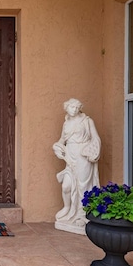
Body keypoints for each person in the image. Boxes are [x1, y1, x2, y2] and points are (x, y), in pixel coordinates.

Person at [53, 98, 101, 234]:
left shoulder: (87, 121)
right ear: (66, 108)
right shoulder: (66, 123)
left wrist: (91, 151)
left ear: (79, 108)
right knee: (66, 185)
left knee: (82, 185)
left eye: (76, 107)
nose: (73, 110)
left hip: (82, 156)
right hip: (70, 156)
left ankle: (82, 214)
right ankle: (68, 209)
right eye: (71, 107)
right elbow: (62, 140)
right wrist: (57, 146)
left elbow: (95, 138)